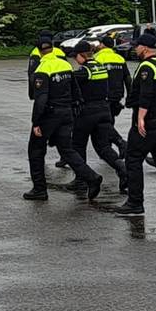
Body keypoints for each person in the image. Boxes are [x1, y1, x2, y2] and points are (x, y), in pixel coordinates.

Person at [24, 46, 103, 201]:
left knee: (36, 150)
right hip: (66, 113)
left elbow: (41, 99)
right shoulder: (65, 65)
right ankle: (91, 177)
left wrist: (36, 122)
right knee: (67, 150)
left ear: (39, 52)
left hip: (50, 115)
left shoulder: (43, 68)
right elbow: (76, 90)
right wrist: (75, 108)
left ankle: (39, 189)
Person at [116, 34, 156, 217]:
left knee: (133, 158)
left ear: (144, 48)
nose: (135, 49)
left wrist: (141, 118)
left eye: (137, 46)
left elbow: (146, 94)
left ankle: (135, 202)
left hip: (149, 120)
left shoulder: (147, 67)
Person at [69, 41, 129, 192]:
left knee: (77, 146)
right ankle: (122, 168)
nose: (75, 60)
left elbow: (70, 82)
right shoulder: (100, 67)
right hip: (104, 110)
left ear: (81, 56)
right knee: (103, 146)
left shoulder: (84, 71)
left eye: (76, 57)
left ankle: (81, 179)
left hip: (87, 113)